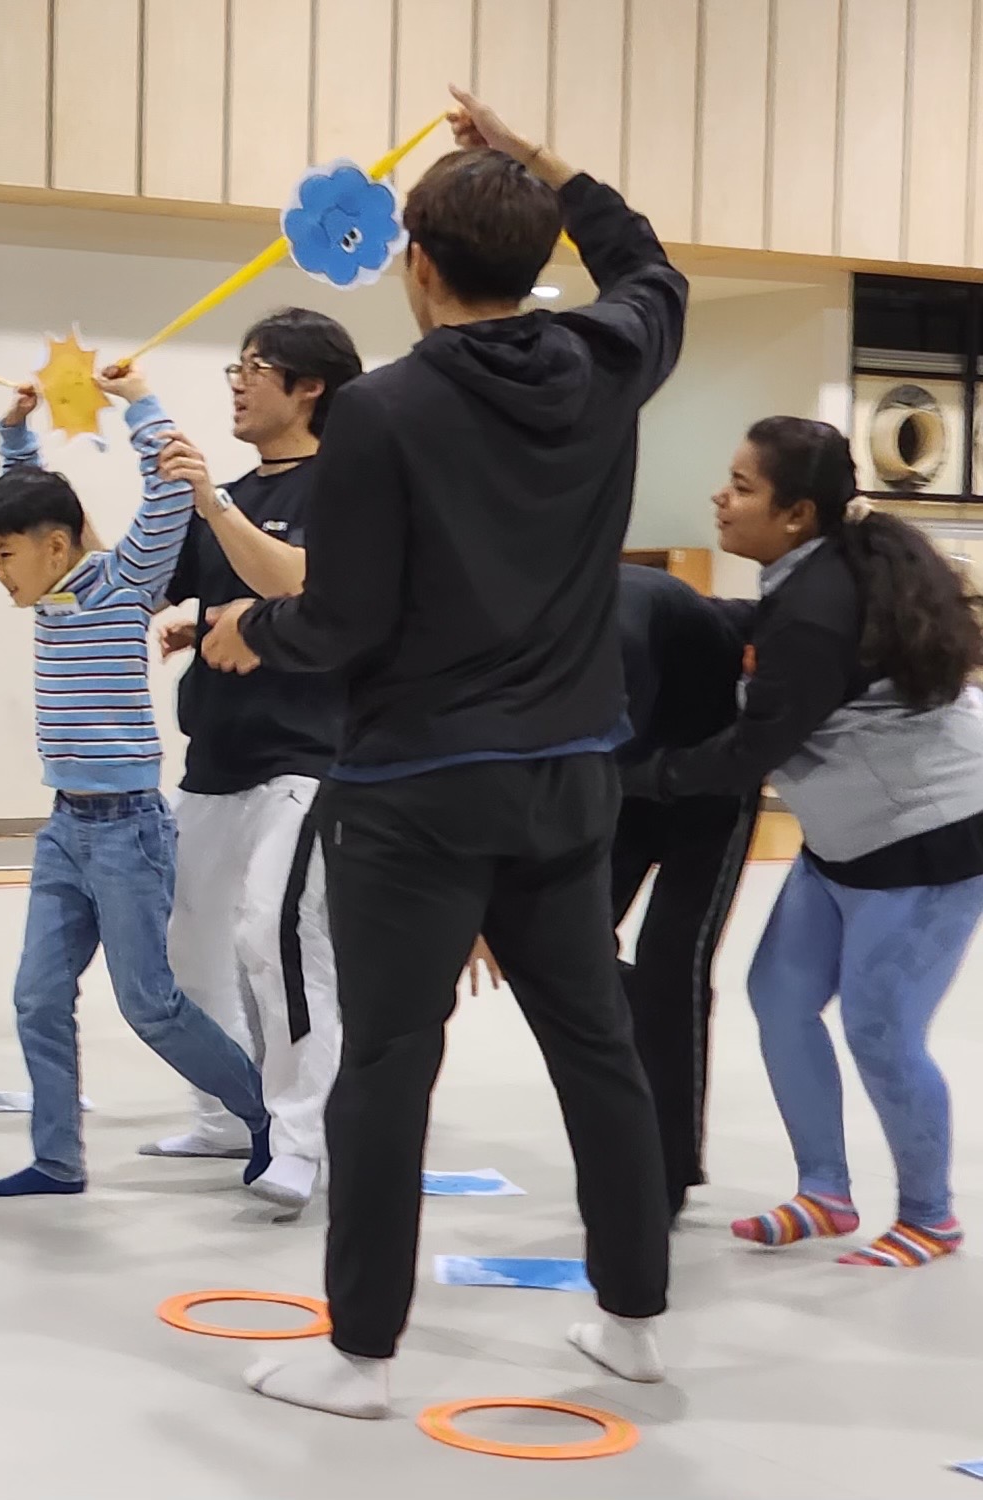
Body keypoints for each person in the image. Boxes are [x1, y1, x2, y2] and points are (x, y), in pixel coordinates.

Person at [204, 86, 686, 1416]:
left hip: (417, 793)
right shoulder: (605, 361)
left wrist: (253, 626)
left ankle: (361, 1354)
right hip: (574, 775)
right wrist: (536, 159)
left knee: (387, 1063)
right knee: (597, 1050)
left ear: (415, 266)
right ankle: (636, 1321)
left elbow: (347, 619)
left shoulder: (383, 412)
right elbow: (650, 262)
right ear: (535, 263)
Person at [624, 418, 983, 1269]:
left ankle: (930, 1215)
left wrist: (642, 776)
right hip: (843, 838)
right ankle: (826, 1191)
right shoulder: (809, 576)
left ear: (797, 514)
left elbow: (754, 751)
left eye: (743, 486)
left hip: (928, 839)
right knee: (780, 999)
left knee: (881, 1029)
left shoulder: (817, 609)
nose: (722, 495)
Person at [0, 366, 268, 1199]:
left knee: (151, 1005)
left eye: (4, 555)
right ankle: (58, 1159)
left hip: (131, 829)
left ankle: (269, 1115)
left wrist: (141, 402)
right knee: (36, 997)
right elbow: (25, 498)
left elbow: (167, 496)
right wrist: (15, 432)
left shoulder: (120, 585)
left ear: (57, 547)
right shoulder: (50, 597)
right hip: (65, 828)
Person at [138, 309, 362, 1220]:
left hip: (307, 758)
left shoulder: (346, 489)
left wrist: (214, 505)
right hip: (217, 755)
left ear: (309, 387)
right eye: (234, 367)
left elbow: (298, 583)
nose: (236, 381)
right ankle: (230, 1110)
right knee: (189, 948)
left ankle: (303, 1134)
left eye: (255, 368)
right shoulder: (222, 494)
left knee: (277, 936)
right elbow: (167, 578)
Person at [611, 563, 758, 1221]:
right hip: (631, 789)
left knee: (673, 963)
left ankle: (667, 1170)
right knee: (558, 943)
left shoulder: (623, 613)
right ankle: (642, 1037)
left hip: (708, 797)